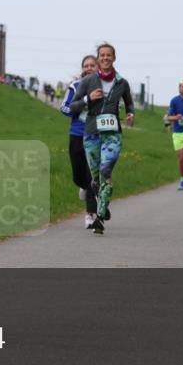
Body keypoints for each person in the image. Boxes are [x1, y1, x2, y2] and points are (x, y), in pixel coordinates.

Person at [69, 43, 135, 235]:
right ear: (98, 58)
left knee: (106, 169)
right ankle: (104, 206)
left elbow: (129, 103)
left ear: (114, 58)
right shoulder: (88, 81)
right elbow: (73, 106)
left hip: (112, 134)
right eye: (102, 55)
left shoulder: (122, 82)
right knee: (97, 177)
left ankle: (98, 216)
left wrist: (131, 114)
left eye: (109, 55)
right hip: (91, 133)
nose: (105, 58)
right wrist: (88, 99)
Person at [60, 56, 99, 228]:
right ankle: (83, 186)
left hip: (95, 136)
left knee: (91, 177)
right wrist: (82, 105)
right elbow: (64, 107)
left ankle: (91, 214)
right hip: (76, 134)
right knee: (78, 175)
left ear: (98, 67)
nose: (89, 68)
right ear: (82, 68)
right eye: (86, 65)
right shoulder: (75, 86)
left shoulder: (104, 87)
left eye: (92, 65)